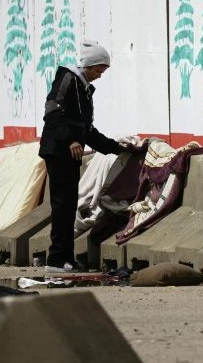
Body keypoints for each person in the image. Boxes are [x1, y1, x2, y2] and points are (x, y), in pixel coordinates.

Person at [38, 40, 126, 273]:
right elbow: (52, 112)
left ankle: (65, 258)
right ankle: (56, 259)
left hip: (70, 154)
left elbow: (86, 130)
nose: (100, 75)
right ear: (89, 65)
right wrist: (70, 140)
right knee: (61, 205)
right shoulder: (67, 79)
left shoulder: (84, 88)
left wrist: (116, 148)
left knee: (68, 206)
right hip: (58, 151)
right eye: (99, 70)